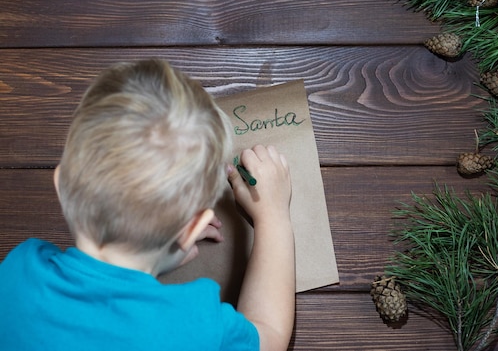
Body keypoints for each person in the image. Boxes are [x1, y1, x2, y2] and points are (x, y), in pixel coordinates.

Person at [0, 59, 295, 351]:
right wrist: (273, 216)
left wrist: (161, 252)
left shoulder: (17, 271)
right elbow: (269, 335)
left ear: (62, 183)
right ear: (191, 229)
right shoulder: (196, 326)